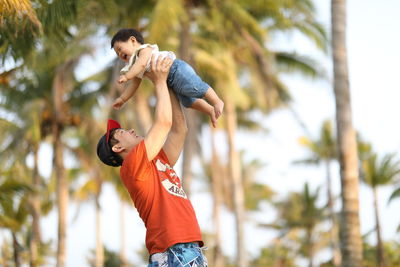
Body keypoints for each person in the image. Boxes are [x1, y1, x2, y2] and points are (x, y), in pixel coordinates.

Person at [97, 56, 208, 266]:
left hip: (181, 249)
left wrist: (168, 83)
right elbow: (164, 123)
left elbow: (179, 129)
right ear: (118, 148)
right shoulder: (132, 166)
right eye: (122, 133)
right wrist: (158, 81)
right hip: (175, 250)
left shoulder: (155, 160)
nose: (130, 130)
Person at [111, 28, 224, 128]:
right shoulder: (133, 67)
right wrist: (122, 99)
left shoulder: (144, 50)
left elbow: (141, 64)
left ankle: (217, 101)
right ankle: (210, 110)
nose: (120, 54)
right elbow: (134, 85)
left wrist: (126, 76)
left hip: (176, 69)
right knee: (188, 102)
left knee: (195, 87)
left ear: (133, 40)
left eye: (120, 49)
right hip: (170, 81)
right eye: (117, 53)